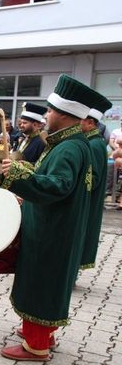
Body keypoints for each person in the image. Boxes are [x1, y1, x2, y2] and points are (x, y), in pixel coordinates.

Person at [0, 74, 101, 361]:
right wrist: (27, 181)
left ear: (65, 115)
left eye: (51, 110)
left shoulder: (69, 147)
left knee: (41, 284)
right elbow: (54, 181)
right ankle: (43, 332)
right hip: (55, 226)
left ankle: (36, 346)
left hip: (51, 230)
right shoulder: (71, 143)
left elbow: (58, 186)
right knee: (47, 283)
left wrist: (18, 176)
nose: (47, 115)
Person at [79, 96, 112, 271]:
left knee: (82, 235)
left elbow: (94, 178)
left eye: (80, 120)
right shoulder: (91, 141)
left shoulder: (95, 144)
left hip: (87, 201)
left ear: (90, 123)